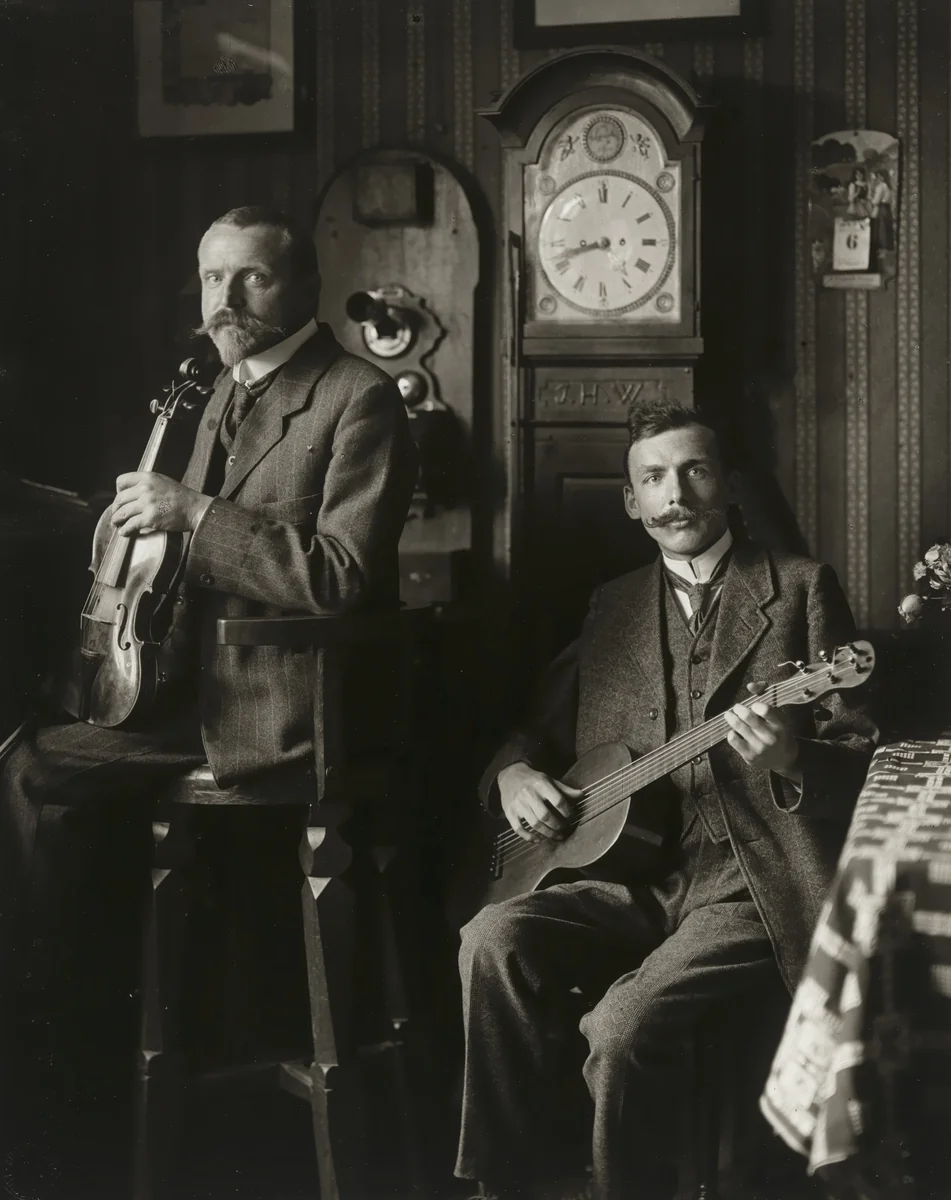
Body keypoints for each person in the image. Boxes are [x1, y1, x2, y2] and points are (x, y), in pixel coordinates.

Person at [0, 206, 417, 1175]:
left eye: (252, 280)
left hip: (280, 706)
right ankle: (64, 1029)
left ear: (307, 285)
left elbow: (343, 575)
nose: (224, 303)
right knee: (25, 735)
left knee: (32, 776)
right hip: (192, 689)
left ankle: (52, 1041)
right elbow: (186, 561)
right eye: (210, 279)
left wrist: (193, 512)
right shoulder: (221, 391)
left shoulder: (359, 397)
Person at [455, 399, 877, 1200]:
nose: (674, 492)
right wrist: (509, 775)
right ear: (631, 501)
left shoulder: (797, 588)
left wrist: (792, 754)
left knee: (619, 1028)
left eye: (694, 470)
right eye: (653, 477)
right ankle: (504, 1183)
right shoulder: (611, 604)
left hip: (743, 883)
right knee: (489, 939)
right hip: (625, 878)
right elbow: (532, 731)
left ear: (730, 486)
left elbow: (857, 752)